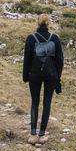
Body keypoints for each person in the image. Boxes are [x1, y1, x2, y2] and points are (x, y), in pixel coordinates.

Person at [22, 15, 63, 143]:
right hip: (51, 75)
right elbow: (60, 60)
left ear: (38, 24)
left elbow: (27, 59)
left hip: (34, 74)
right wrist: (58, 77)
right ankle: (42, 134)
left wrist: (25, 76)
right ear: (48, 24)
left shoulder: (31, 38)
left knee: (34, 102)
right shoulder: (55, 39)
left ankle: (33, 133)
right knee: (47, 103)